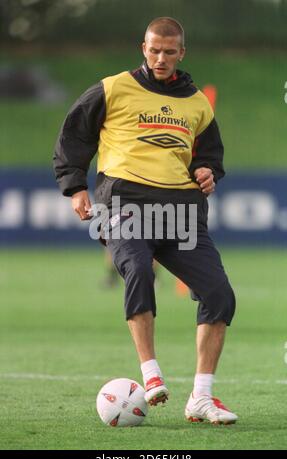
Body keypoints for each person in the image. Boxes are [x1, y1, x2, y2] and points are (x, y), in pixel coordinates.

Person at [53, 17, 237, 425]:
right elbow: (74, 134)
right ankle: (151, 376)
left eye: (169, 52)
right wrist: (75, 187)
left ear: (181, 53)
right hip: (125, 203)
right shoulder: (114, 87)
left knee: (220, 294)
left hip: (182, 213)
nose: (161, 58)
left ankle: (201, 398)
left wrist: (208, 171)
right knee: (137, 269)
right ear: (143, 48)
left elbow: (209, 156)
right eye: (154, 50)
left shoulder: (197, 103)